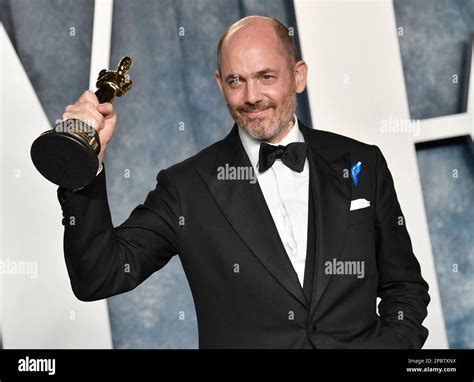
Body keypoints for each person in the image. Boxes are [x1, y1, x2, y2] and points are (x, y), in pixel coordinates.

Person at [58, 15, 430, 349]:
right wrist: (81, 165)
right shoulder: (185, 187)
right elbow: (99, 277)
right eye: (237, 81)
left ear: (298, 76)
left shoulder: (363, 163)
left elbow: (405, 288)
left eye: (266, 77)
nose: (252, 97)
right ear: (220, 85)